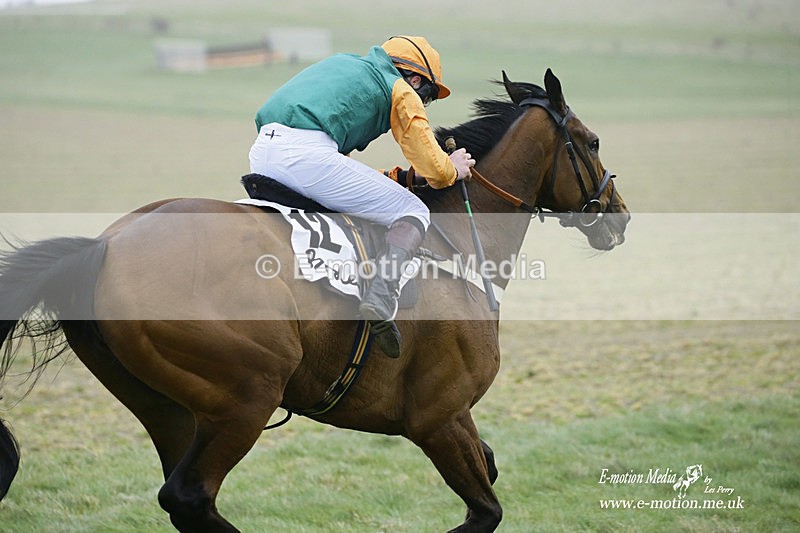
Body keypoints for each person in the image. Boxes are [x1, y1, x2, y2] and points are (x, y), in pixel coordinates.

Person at [249, 35, 474, 358]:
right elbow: (438, 174)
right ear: (414, 79)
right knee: (413, 211)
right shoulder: (400, 89)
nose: (423, 103)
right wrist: (453, 168)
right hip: (306, 156)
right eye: (426, 96)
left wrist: (403, 178)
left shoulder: (345, 64)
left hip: (263, 151)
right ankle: (381, 297)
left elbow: (343, 175)